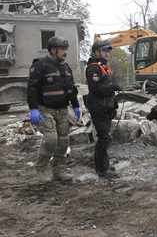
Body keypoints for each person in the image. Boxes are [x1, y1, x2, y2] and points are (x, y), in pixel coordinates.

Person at [27, 36, 80, 183]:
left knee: (63, 141)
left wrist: (75, 105)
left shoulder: (66, 67)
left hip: (62, 109)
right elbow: (32, 89)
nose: (65, 52)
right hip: (45, 109)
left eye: (66, 49)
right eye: (63, 49)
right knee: (51, 139)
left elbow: (71, 88)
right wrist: (33, 109)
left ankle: (59, 170)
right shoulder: (40, 65)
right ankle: (41, 168)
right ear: (53, 49)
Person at [85, 39, 122, 179]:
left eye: (108, 51)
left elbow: (108, 91)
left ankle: (100, 164)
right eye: (104, 51)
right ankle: (103, 169)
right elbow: (96, 89)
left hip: (106, 108)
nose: (107, 53)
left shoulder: (105, 67)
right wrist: (113, 87)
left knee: (104, 137)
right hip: (98, 108)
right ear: (97, 52)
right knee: (105, 139)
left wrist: (114, 106)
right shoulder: (93, 68)